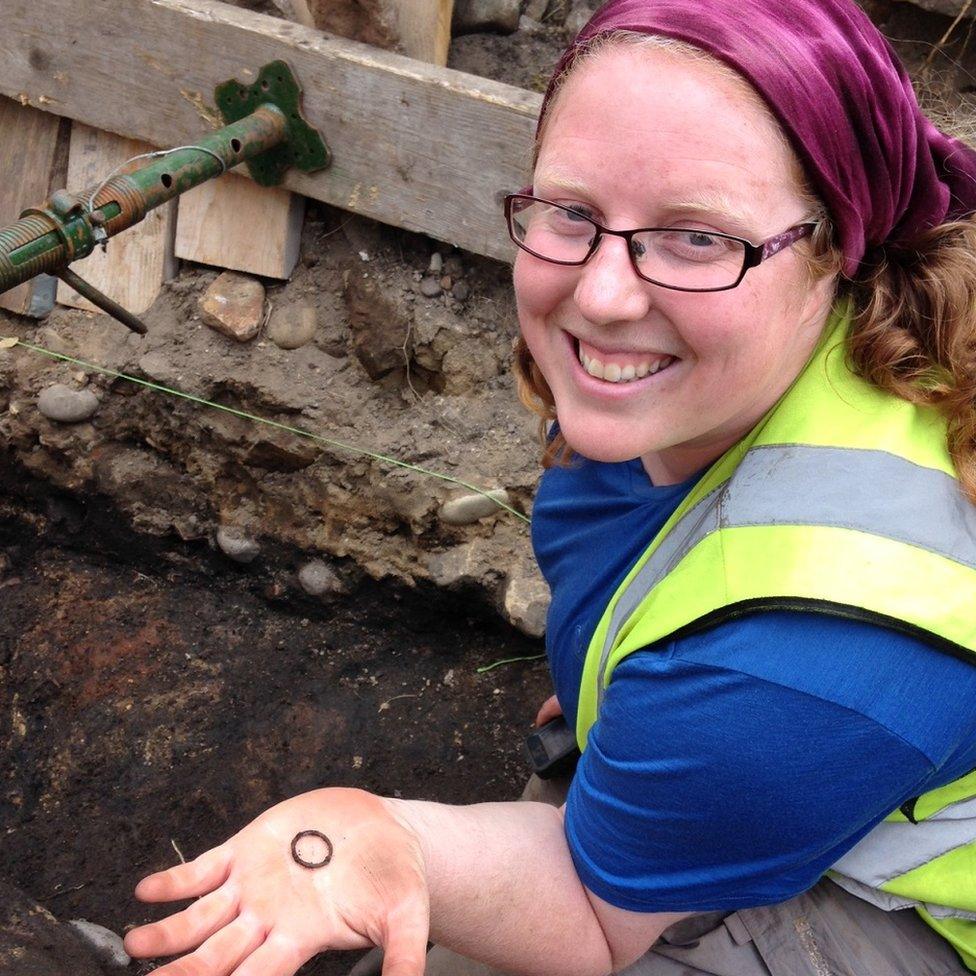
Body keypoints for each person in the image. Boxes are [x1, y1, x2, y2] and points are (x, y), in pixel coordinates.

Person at [122, 1, 976, 974]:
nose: (604, 297)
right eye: (572, 212)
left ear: (836, 247)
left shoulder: (803, 653)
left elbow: (587, 927)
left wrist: (389, 837)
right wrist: (629, 698)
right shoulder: (728, 368)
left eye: (696, 236)